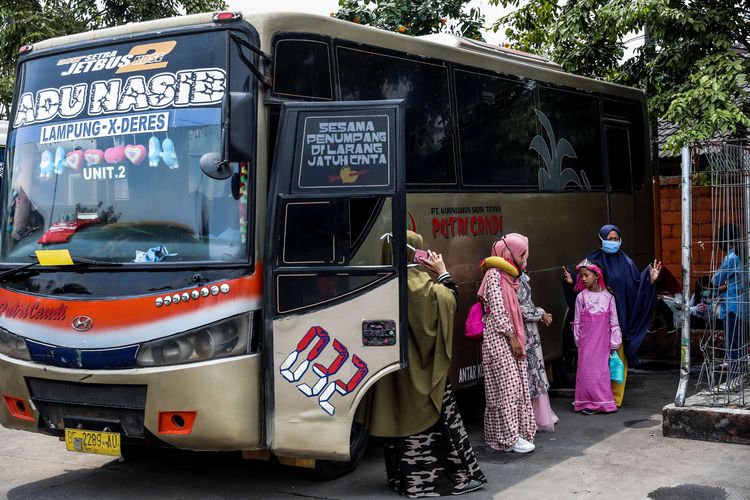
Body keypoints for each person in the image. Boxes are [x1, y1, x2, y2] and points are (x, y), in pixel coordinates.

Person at [361, 230, 486, 498]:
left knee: (399, 424)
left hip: (393, 374)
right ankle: (442, 481)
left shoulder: (380, 282)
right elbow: (451, 301)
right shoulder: (419, 285)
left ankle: (402, 479)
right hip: (426, 375)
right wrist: (441, 272)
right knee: (436, 426)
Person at [563, 224, 662, 407]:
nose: (613, 242)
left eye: (616, 239)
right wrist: (571, 283)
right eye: (610, 239)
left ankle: (614, 399)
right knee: (596, 362)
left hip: (620, 318)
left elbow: (636, 287)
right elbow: (582, 281)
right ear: (601, 239)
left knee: (617, 358)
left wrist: (650, 280)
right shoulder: (592, 260)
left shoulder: (627, 262)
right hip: (595, 324)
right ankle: (595, 396)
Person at [479, 233, 537, 453]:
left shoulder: (509, 277)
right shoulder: (494, 275)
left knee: (516, 386)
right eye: (522, 255)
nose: (524, 260)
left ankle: (514, 433)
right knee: (507, 389)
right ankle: (508, 438)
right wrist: (512, 337)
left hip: (509, 337)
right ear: (509, 253)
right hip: (499, 338)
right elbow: (497, 309)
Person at [571, 259, 622, 414]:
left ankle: (603, 402)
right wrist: (578, 341)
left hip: (602, 344)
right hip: (586, 344)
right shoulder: (581, 297)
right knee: (585, 372)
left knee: (601, 372)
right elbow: (577, 321)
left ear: (596, 275)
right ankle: (585, 402)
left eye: (586, 275)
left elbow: (614, 323)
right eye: (581, 276)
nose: (583, 279)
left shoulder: (609, 297)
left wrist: (614, 343)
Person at [518, 270, 559, 431]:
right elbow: (522, 310)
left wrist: (538, 313)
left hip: (530, 332)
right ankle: (534, 416)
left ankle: (540, 414)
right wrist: (540, 313)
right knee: (529, 372)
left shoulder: (518, 275)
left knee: (534, 371)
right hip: (523, 332)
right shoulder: (509, 278)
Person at [711, 224, 744, 384]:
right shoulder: (741, 257)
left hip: (731, 306)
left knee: (732, 345)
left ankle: (734, 379)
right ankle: (739, 376)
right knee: (738, 343)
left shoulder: (730, 258)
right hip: (741, 306)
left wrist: (720, 283)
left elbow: (715, 279)